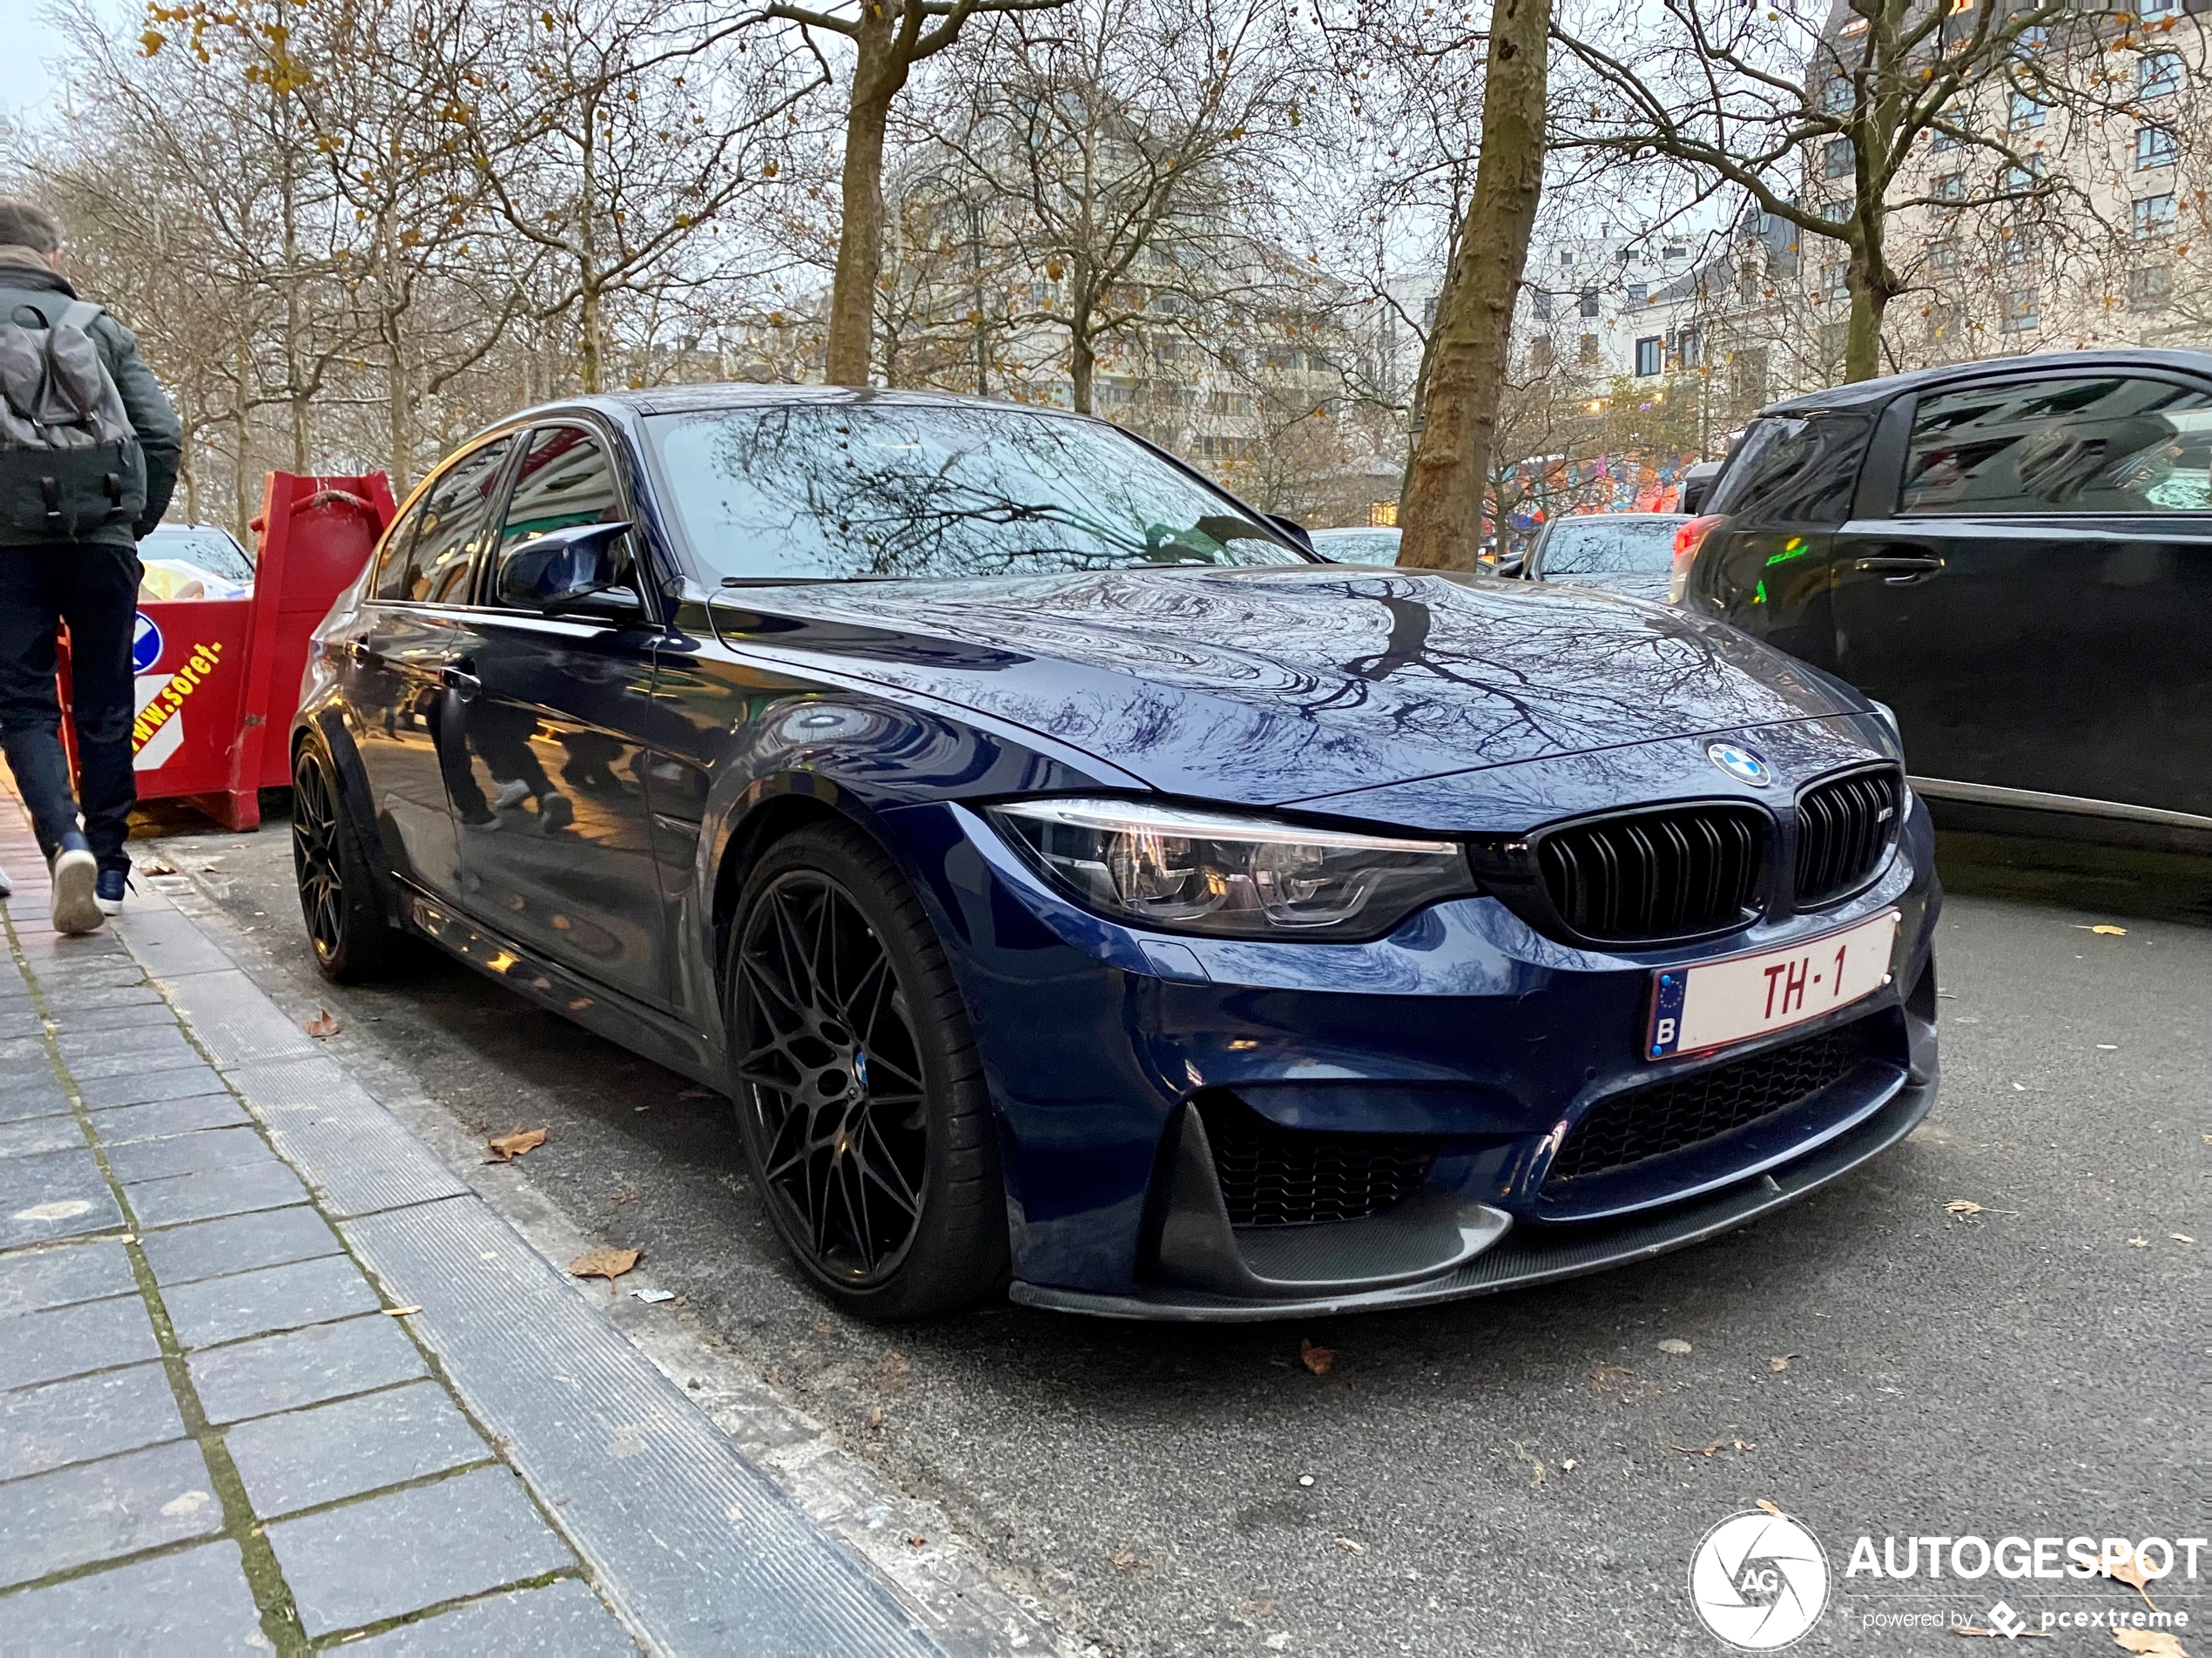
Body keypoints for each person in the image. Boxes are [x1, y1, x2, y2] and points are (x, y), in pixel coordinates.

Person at [0, 199, 180, 936]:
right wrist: (129, 525)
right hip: (104, 539)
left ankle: (62, 841)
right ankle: (108, 867)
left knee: (24, 703)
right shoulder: (98, 326)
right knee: (106, 698)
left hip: (8, 545)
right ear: (53, 256)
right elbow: (161, 434)